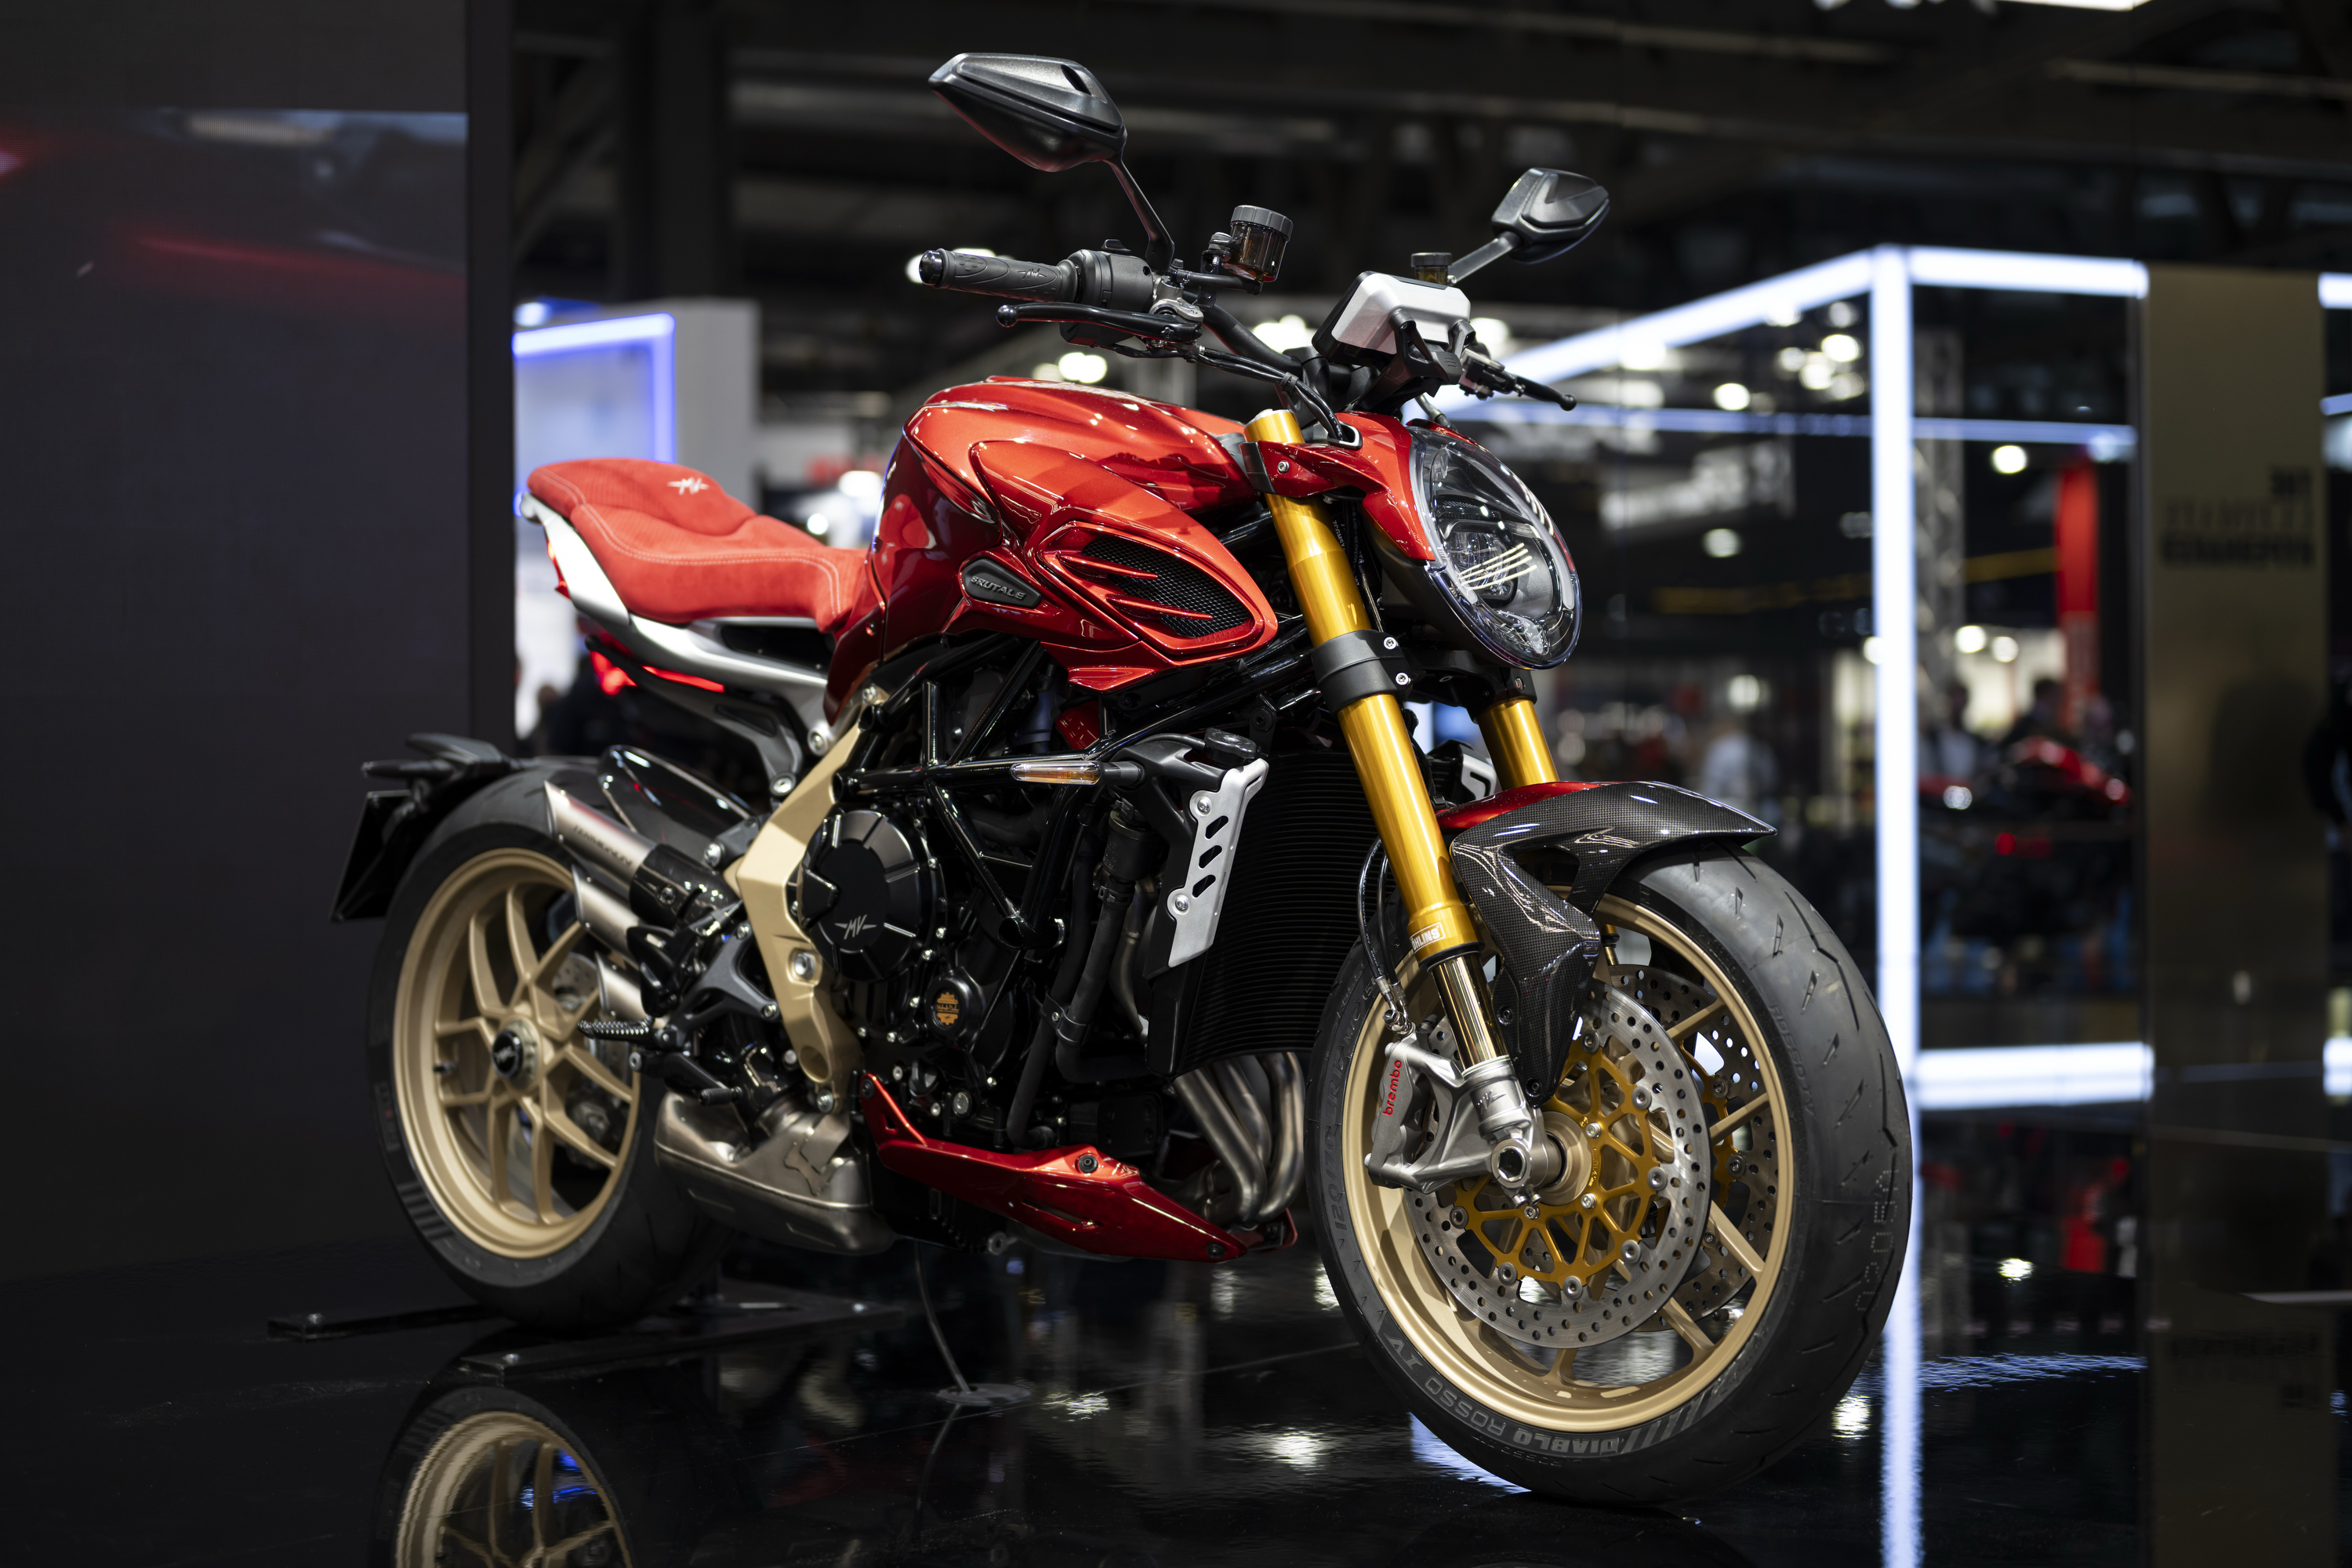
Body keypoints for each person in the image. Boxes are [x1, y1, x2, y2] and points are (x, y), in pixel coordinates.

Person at [2002, 677, 2075, 749]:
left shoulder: (2043, 721)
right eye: (2056, 696)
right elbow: (2005, 746)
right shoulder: (2030, 725)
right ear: (2044, 695)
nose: (2059, 701)